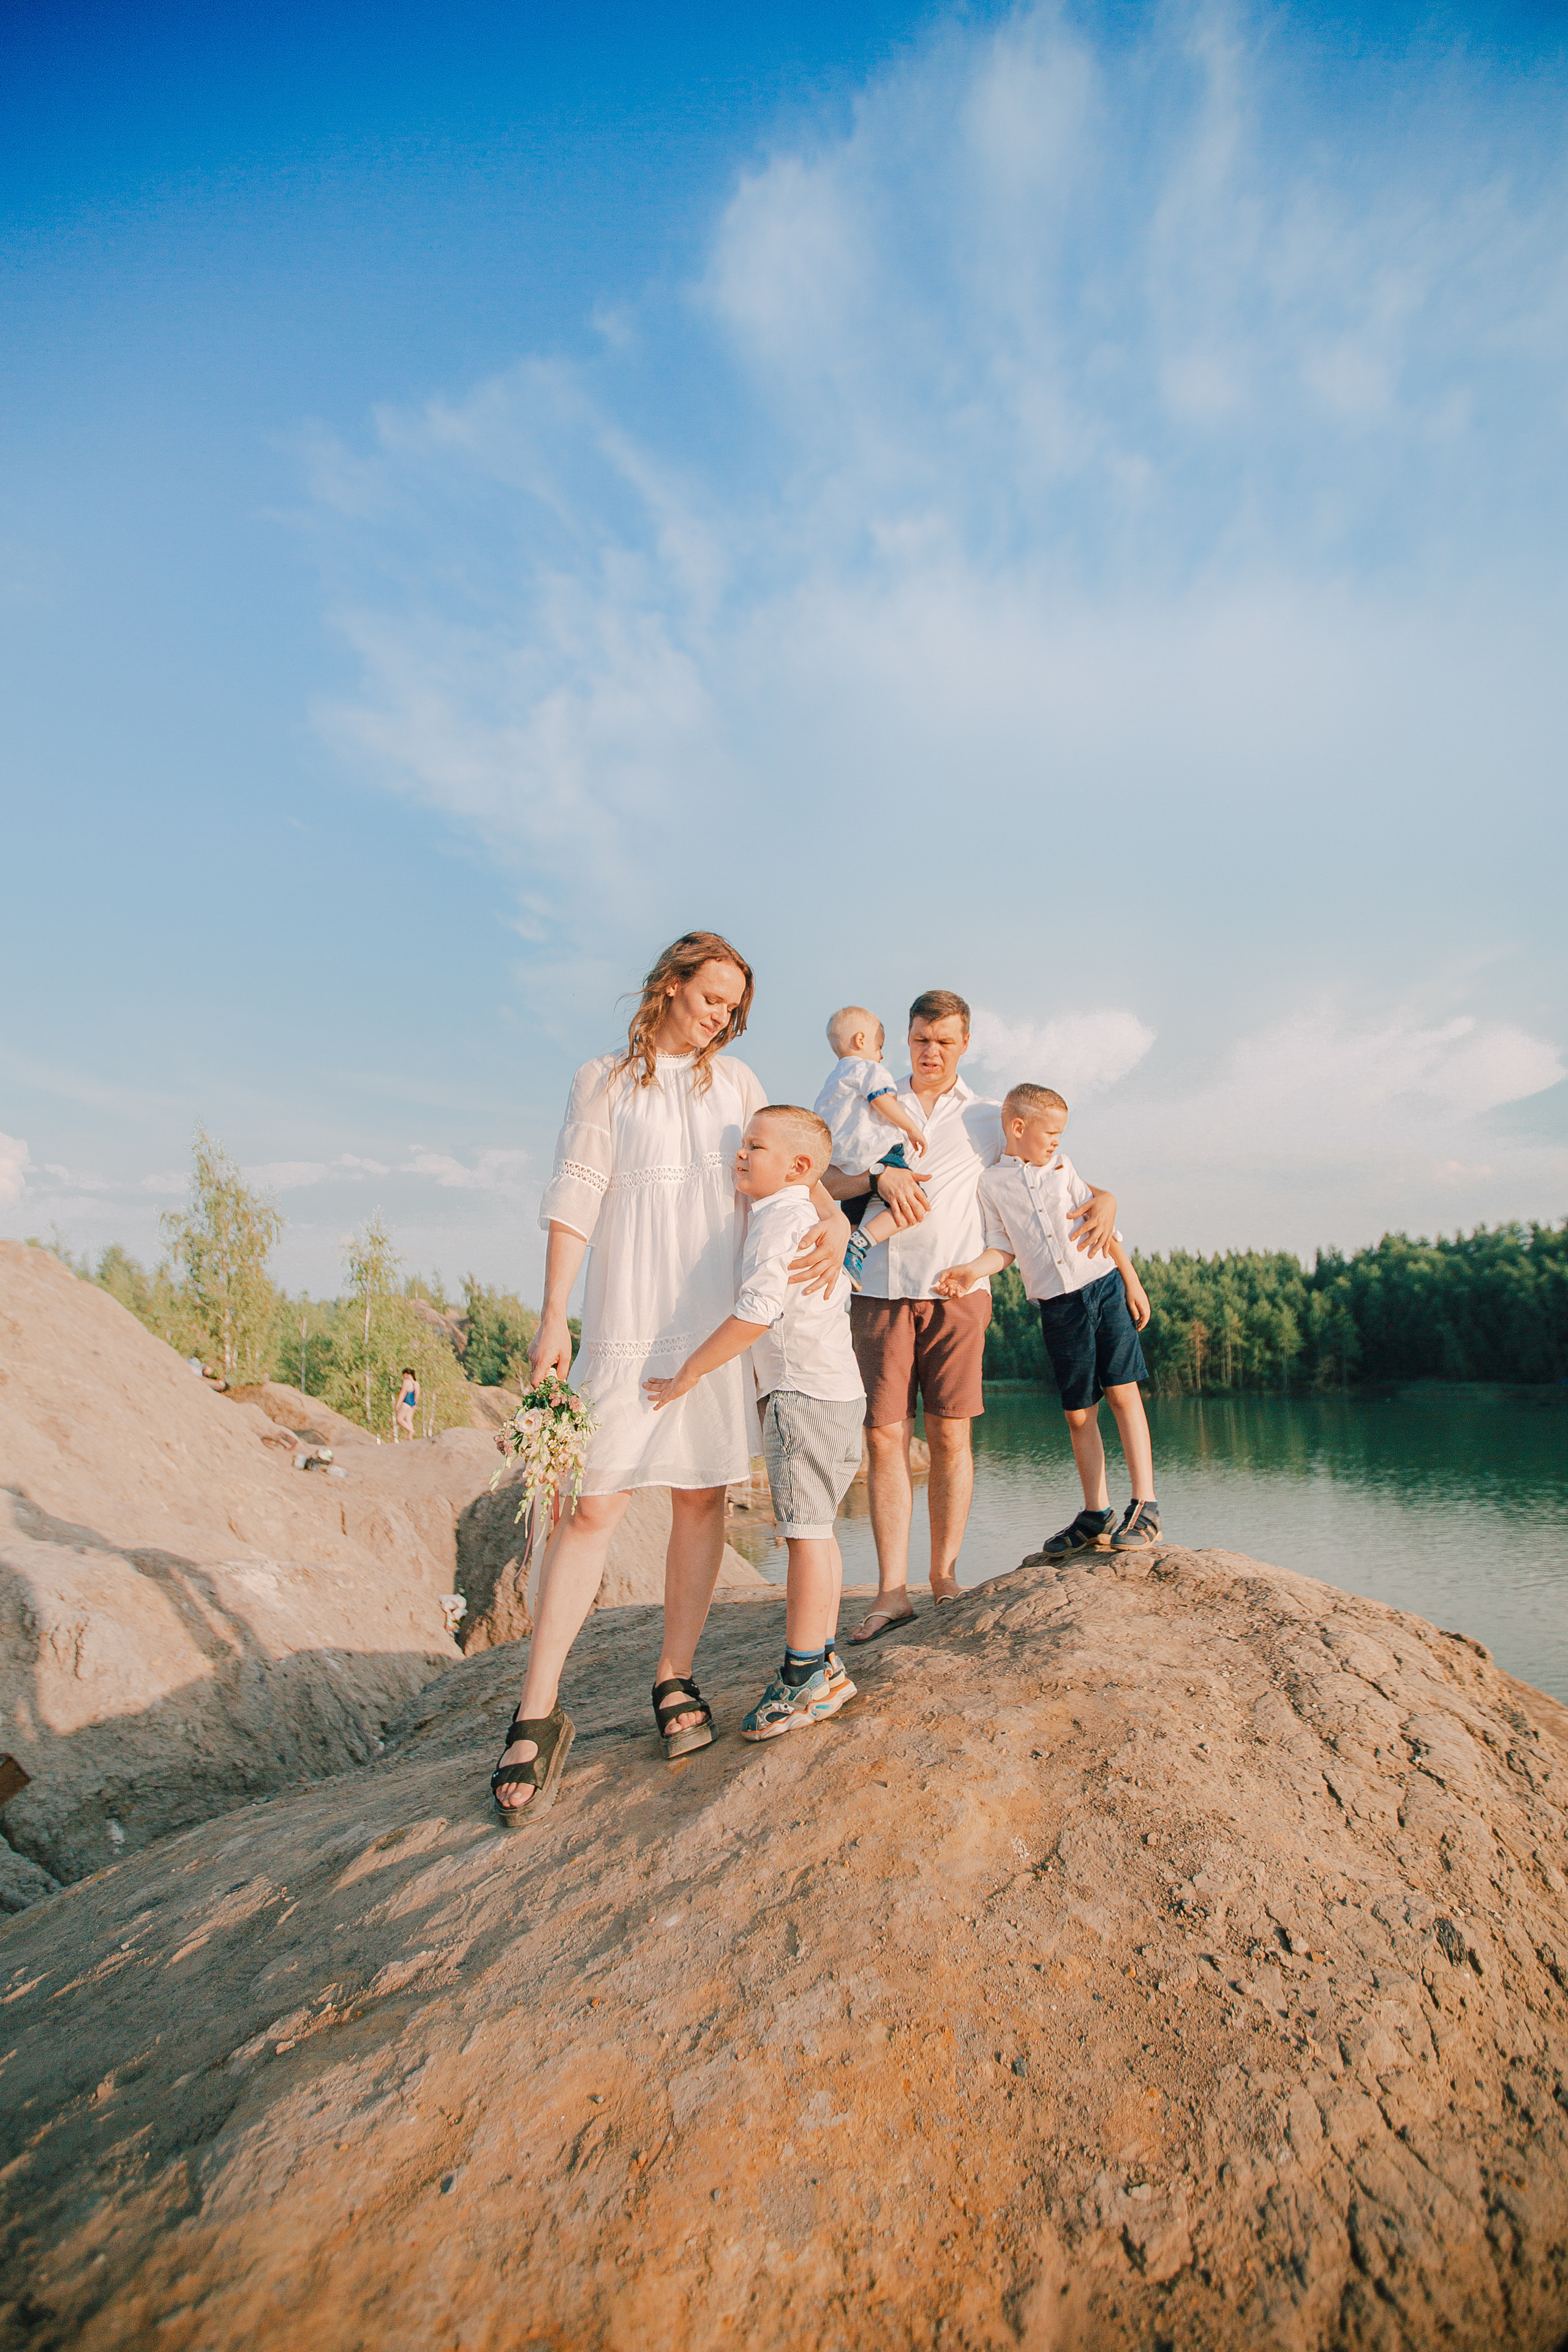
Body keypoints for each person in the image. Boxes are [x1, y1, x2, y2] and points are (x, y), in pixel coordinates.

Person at [488, 932, 850, 1822]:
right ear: (671, 985)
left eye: (735, 1006)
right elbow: (575, 1193)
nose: (722, 1015)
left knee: (700, 1497)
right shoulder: (604, 1079)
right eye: (711, 996)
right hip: (629, 1320)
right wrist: (552, 1317)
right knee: (593, 1506)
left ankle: (674, 1676)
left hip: (712, 1321)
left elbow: (796, 1176)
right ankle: (536, 1709)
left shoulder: (740, 1085)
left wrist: (836, 1221)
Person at [822, 990, 1118, 1643]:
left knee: (952, 1436)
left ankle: (945, 1578)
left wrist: (1108, 1200)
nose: (931, 1052)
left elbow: (1058, 1171)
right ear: (905, 1037)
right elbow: (823, 1182)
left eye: (945, 1042)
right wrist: (877, 1179)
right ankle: (890, 1592)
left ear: (964, 1045)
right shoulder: (866, 1098)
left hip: (958, 1295)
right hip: (875, 1288)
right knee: (883, 1437)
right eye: (922, 1039)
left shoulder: (991, 1116)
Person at [645, 1103, 864, 1739]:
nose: (741, 1154)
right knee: (817, 1532)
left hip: (801, 1395)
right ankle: (823, 1661)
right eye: (742, 1143)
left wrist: (690, 1371)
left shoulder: (780, 1222)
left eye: (755, 1147)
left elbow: (757, 1313)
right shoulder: (801, 1215)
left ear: (797, 1167)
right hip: (835, 1393)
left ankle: (802, 1678)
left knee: (803, 1534)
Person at [935, 1082, 1163, 1559]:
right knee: (1079, 1412)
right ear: (1018, 1128)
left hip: (1103, 1287)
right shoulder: (991, 1185)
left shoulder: (1064, 1169)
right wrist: (970, 1271)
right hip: (1058, 1306)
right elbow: (1003, 1248)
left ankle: (1147, 1505)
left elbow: (1102, 1228)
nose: (1057, 1142)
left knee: (1123, 1393)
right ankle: (1095, 1513)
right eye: (1051, 1133)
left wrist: (1133, 1282)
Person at [813, 1008, 928, 1287]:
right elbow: (881, 1100)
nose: (882, 1055)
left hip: (843, 1162)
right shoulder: (868, 1068)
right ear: (861, 1040)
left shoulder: (831, 1083)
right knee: (916, 1204)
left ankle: (840, 1258)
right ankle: (859, 1244)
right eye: (880, 1046)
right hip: (877, 1152)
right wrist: (911, 1127)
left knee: (852, 1214)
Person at [393, 1367, 419, 1442]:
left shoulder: (406, 1382)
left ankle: (410, 1430)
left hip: (406, 1403)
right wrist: (415, 1404)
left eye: (404, 1375)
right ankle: (410, 1437)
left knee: (399, 1419)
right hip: (413, 1405)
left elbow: (403, 1393)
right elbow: (417, 1395)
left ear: (406, 1374)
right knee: (408, 1420)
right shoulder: (416, 1383)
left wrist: (398, 1404)